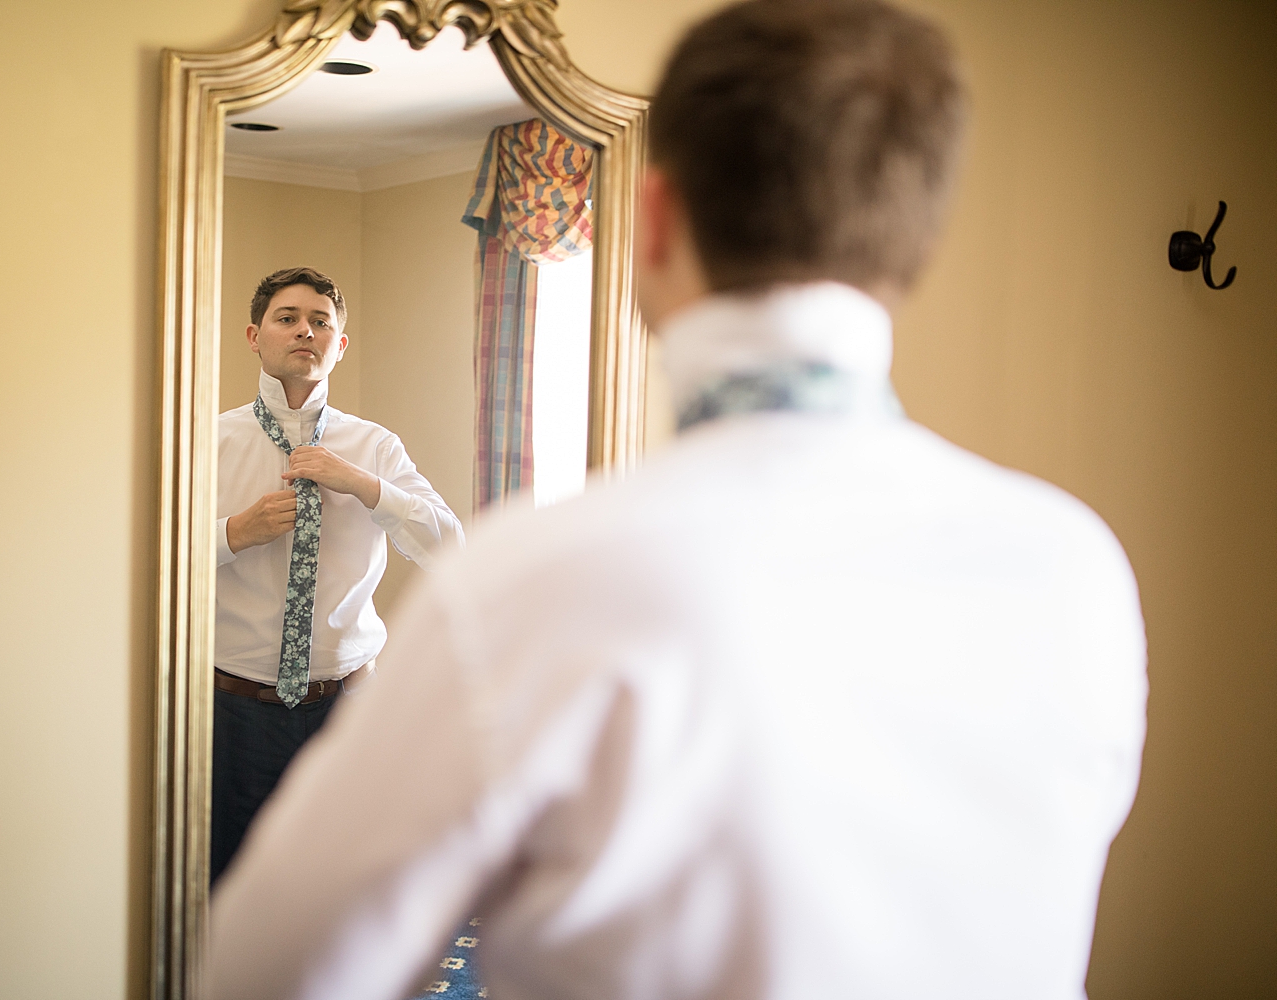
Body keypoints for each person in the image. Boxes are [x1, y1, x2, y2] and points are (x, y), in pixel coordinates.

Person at [209, 2, 1148, 997]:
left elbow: (268, 971)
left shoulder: (529, 581)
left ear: (650, 222)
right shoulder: (1074, 570)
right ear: (920, 240)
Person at [210, 266, 464, 886]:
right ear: (254, 335)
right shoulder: (204, 441)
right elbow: (144, 558)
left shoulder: (374, 447)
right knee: (231, 887)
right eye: (288, 317)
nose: (306, 331)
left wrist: (365, 486)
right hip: (232, 710)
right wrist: (234, 533)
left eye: (321, 321)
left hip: (348, 708)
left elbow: (450, 545)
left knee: (343, 888)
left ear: (339, 344)